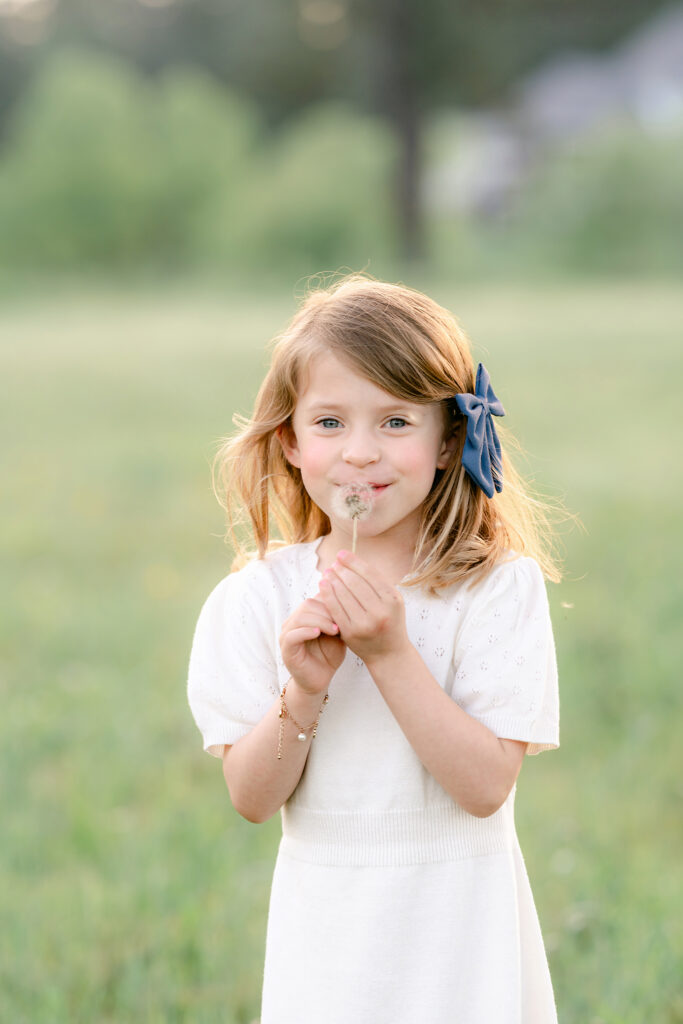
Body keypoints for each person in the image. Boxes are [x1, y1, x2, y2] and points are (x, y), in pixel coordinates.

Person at [187, 274, 562, 1024]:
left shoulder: (493, 589)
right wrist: (302, 691)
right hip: (328, 933)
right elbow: (253, 799)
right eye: (329, 423)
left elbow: (485, 786)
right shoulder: (258, 598)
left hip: (459, 928)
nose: (360, 454)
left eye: (395, 422)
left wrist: (390, 656)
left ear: (448, 439)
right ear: (289, 440)